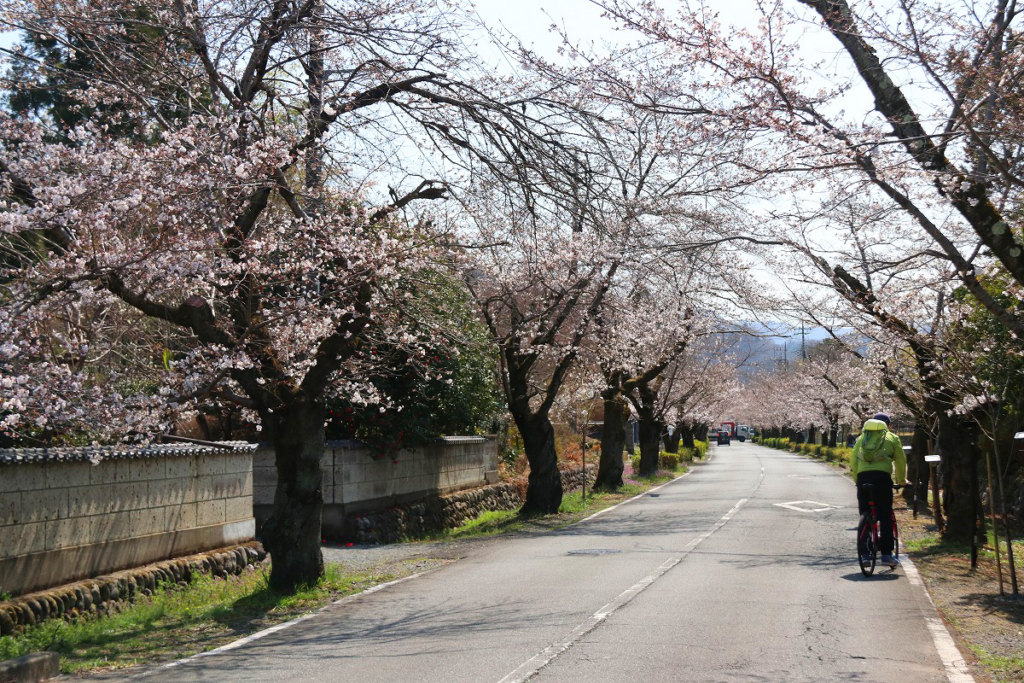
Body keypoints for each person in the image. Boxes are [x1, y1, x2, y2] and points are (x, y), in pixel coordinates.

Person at [851, 412, 907, 567]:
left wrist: (857, 481)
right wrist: (901, 481)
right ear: (887, 425)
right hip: (882, 479)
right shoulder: (892, 438)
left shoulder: (861, 439)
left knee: (865, 514)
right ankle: (887, 555)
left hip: (863, 479)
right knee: (885, 515)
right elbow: (901, 461)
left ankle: (865, 556)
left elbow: (853, 461)